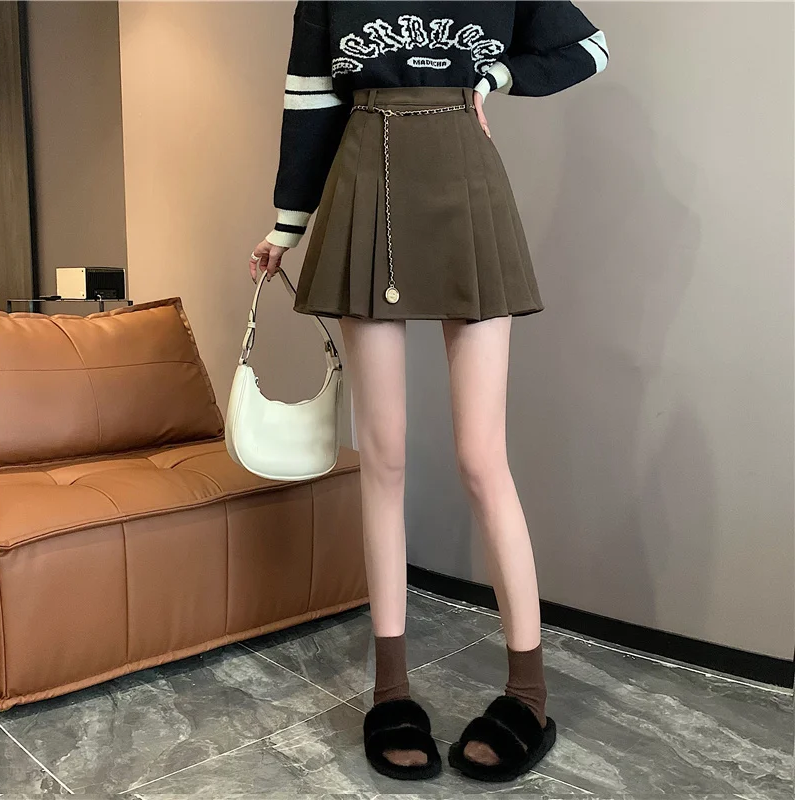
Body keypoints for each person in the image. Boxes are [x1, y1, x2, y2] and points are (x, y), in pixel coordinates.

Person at [249, 0, 608, 783]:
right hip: (362, 187)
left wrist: (498, 76)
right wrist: (288, 225)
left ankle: (528, 694)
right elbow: (309, 100)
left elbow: (590, 49)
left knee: (482, 459)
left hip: (466, 186)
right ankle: (391, 691)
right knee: (381, 458)